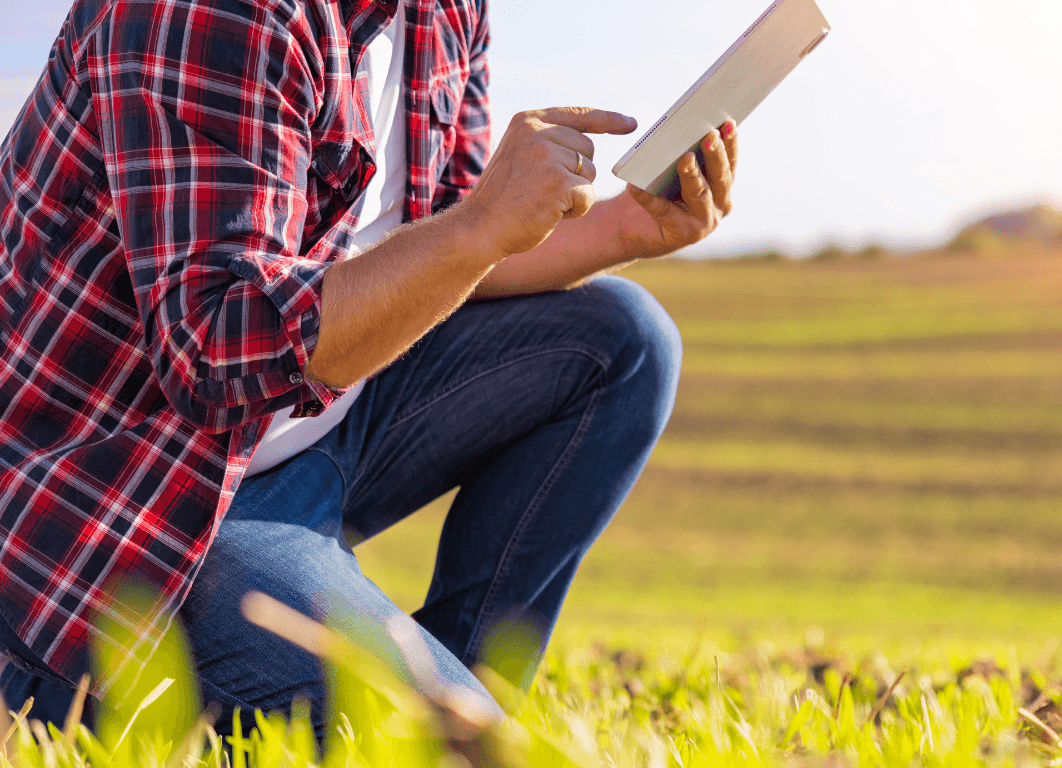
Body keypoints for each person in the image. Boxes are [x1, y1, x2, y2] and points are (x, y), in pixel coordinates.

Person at [0, 0, 738, 735]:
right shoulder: (214, 12)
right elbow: (215, 352)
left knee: (624, 337)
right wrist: (481, 226)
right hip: (136, 503)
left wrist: (622, 230)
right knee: (426, 743)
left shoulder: (444, 10)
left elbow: (441, 247)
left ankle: (450, 700)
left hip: (313, 433)